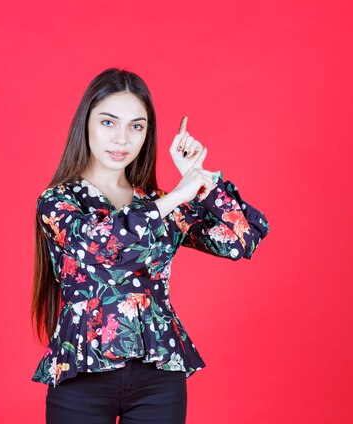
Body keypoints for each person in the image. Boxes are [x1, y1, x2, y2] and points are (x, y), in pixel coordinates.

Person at [31, 67, 270, 424]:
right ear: (86, 123)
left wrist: (200, 180)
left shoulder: (158, 203)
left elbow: (243, 237)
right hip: (80, 376)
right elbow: (100, 248)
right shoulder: (58, 202)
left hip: (158, 378)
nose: (122, 139)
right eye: (108, 122)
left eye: (136, 126)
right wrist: (174, 197)